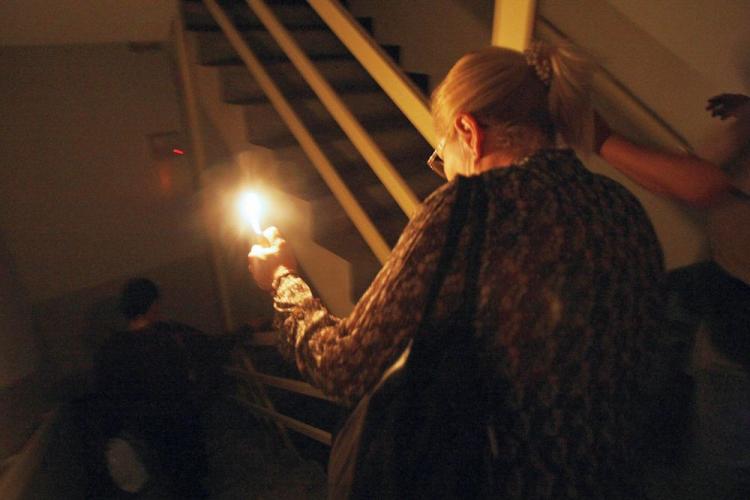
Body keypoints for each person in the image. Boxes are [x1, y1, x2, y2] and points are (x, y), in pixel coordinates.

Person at [248, 42, 666, 498]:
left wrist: (282, 281)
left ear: (468, 131)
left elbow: (344, 368)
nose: (444, 172)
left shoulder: (470, 208)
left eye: (440, 154)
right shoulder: (622, 206)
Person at [94, 278, 207, 498]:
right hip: (182, 422)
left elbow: (108, 395)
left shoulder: (111, 349)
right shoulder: (167, 336)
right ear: (153, 305)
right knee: (192, 482)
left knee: (165, 481)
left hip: (146, 430)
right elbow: (205, 348)